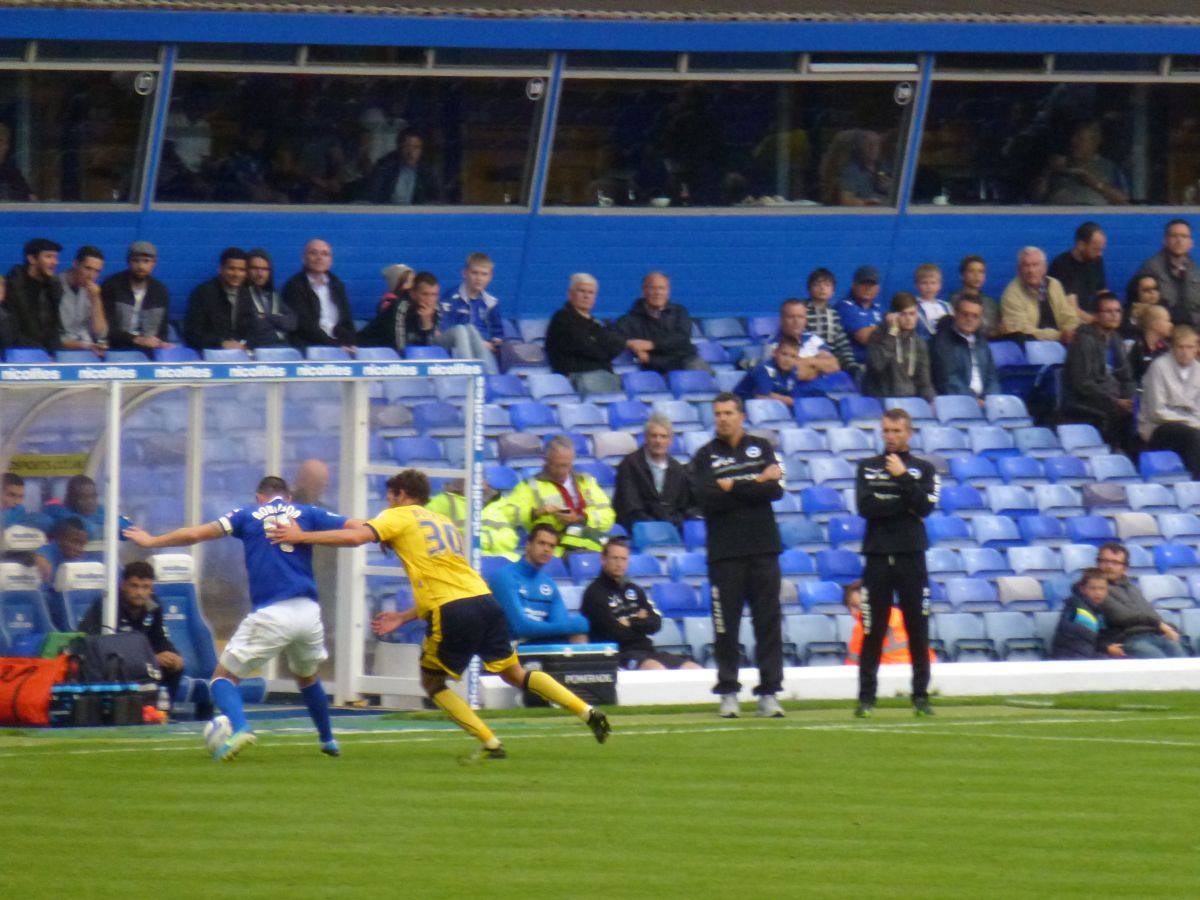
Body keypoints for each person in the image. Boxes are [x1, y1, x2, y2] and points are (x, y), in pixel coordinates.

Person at [271, 469, 611, 762]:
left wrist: (302, 537)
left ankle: (490, 743)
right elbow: (445, 579)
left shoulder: (398, 515)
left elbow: (357, 536)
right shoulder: (444, 522)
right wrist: (403, 617)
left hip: (453, 610)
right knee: (515, 672)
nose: (387, 503)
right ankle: (587, 712)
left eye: (390, 496)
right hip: (483, 600)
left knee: (432, 683)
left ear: (402, 494)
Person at [123, 475, 357, 760]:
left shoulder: (247, 514)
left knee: (222, 679)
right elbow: (356, 528)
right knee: (307, 677)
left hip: (274, 612)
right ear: (288, 498)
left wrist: (152, 541)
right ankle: (328, 740)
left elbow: (195, 535)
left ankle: (241, 728)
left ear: (259, 497)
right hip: (308, 612)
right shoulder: (308, 513)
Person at [687, 393, 785, 719]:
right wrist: (756, 482)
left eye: (729, 412)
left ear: (741, 415)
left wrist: (736, 486)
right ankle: (728, 692)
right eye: (718, 413)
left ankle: (769, 693)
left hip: (763, 549)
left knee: (768, 624)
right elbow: (707, 499)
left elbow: (775, 490)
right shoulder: (704, 457)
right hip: (725, 554)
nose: (723, 419)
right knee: (725, 627)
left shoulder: (762, 447)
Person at [853, 408, 938, 718]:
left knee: (918, 628)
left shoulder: (923, 469)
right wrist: (904, 505)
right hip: (876, 556)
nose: (890, 437)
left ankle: (920, 697)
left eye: (897, 431)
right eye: (886, 431)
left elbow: (924, 508)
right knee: (872, 629)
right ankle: (866, 699)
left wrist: (902, 478)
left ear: (909, 434)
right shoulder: (867, 468)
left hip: (912, 556)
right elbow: (866, 507)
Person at [581, 536, 701, 671]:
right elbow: (613, 632)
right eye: (615, 558)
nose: (619, 563)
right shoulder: (594, 593)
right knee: (655, 669)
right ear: (603, 560)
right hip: (617, 654)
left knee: (693, 668)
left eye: (623, 559)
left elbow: (656, 623)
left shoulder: (635, 589)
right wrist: (640, 620)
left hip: (647, 651)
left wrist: (630, 622)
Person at [79, 561, 186, 703]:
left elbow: (159, 639)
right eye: (134, 586)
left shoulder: (153, 607)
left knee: (173, 667)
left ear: (151, 588)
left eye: (145, 587)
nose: (139, 593)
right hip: (107, 664)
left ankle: (161, 713)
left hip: (143, 663)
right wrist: (151, 659)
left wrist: (174, 657)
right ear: (123, 585)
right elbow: (100, 647)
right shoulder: (106, 605)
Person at [501, 434, 615, 556]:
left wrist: (581, 518)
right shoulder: (530, 486)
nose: (561, 471)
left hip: (590, 545)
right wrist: (535, 513)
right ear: (546, 460)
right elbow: (508, 515)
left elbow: (608, 515)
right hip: (555, 550)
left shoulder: (586, 482)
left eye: (565, 465)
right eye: (557, 465)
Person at [360, 271, 495, 369]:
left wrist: (426, 324)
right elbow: (400, 348)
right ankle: (469, 374)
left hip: (413, 352)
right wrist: (425, 327)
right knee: (460, 330)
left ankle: (488, 377)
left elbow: (429, 349)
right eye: (425, 294)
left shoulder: (435, 308)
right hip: (375, 351)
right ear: (413, 294)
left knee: (467, 329)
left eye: (434, 295)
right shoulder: (400, 307)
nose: (430, 300)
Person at [545, 273, 652, 397]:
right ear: (570, 294)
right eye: (582, 291)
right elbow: (590, 349)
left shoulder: (594, 322)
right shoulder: (562, 319)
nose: (586, 296)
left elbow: (612, 345)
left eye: (591, 293)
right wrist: (604, 347)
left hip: (604, 375)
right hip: (579, 376)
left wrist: (610, 345)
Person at [488, 525, 589, 644]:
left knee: (577, 637)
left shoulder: (549, 584)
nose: (546, 549)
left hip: (541, 650)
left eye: (551, 546)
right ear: (528, 545)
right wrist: (574, 625)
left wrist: (571, 627)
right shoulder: (504, 577)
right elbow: (520, 627)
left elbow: (560, 623)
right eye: (541, 543)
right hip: (509, 652)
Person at [1062, 293, 1135, 455]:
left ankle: (1136, 459)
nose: (1114, 315)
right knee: (1117, 412)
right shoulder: (1083, 341)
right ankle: (1116, 454)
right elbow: (1083, 384)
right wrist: (1116, 401)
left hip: (1114, 397)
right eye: (1108, 311)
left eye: (1117, 311)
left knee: (1140, 408)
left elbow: (1127, 377)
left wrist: (1130, 398)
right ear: (1095, 315)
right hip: (1086, 399)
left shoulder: (1116, 339)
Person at [1095, 542, 1186, 659]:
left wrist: (1168, 628)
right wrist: (1160, 625)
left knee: (1181, 655)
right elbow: (1121, 616)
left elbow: (1150, 614)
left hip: (1153, 635)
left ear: (1125, 568)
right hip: (1128, 639)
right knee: (1160, 661)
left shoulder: (1132, 588)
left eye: (1115, 562)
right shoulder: (1096, 589)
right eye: (1105, 561)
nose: (1109, 566)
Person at [613, 271, 709, 374]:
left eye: (662, 288)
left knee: (700, 373)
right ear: (644, 291)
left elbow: (681, 338)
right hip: (657, 369)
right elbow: (613, 337)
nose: (658, 293)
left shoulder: (679, 312)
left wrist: (652, 345)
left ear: (668, 291)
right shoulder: (629, 320)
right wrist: (632, 345)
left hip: (687, 363)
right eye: (653, 288)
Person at [613, 412, 694, 532]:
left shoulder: (677, 469)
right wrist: (655, 529)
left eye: (663, 436)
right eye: (654, 436)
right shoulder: (629, 465)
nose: (658, 441)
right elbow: (630, 507)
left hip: (671, 532)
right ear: (646, 438)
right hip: (638, 530)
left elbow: (682, 508)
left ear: (670, 441)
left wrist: (670, 527)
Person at [1139, 325, 1200, 479]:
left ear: (1196, 348)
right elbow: (1157, 411)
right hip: (1159, 427)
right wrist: (1189, 422)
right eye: (1180, 347)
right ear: (1172, 347)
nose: (1185, 352)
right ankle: (1195, 484)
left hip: (1191, 424)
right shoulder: (1158, 367)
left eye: (1189, 347)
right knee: (1192, 436)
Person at [282, 239, 357, 350]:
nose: (319, 258)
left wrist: (351, 343)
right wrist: (335, 347)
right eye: (313, 253)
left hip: (338, 344)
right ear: (304, 258)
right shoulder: (294, 286)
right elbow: (304, 326)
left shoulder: (337, 285)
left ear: (330, 261)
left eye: (324, 254)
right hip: (309, 346)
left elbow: (347, 321)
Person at [101, 241, 173, 354]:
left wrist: (161, 342)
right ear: (128, 262)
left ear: (154, 263)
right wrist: (137, 340)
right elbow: (106, 329)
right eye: (135, 261)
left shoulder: (160, 291)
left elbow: (162, 330)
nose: (140, 266)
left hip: (149, 350)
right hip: (117, 348)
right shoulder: (112, 285)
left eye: (146, 261)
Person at [1036, 120, 1130, 206]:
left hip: (1092, 220)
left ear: (1095, 141)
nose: (1073, 141)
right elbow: (1035, 198)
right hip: (1055, 218)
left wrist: (1094, 183)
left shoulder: (1110, 168)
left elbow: (1125, 202)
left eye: (1080, 138)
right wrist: (1047, 172)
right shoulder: (1057, 164)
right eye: (1073, 137)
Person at [842, 580, 935, 667]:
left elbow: (852, 664)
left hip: (890, 675)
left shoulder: (862, 626)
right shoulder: (903, 615)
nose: (853, 612)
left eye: (856, 606)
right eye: (851, 608)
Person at [863, 292, 934, 403]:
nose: (909, 319)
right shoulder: (879, 336)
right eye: (903, 314)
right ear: (893, 316)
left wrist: (931, 402)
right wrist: (892, 332)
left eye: (912, 314)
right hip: (881, 399)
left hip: (909, 400)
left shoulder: (919, 342)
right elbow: (877, 364)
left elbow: (924, 381)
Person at [999, 246, 1079, 343]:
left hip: (1062, 340)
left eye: (1035, 265)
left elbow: (1068, 315)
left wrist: (1070, 331)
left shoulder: (1054, 285)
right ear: (1018, 270)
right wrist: (1058, 335)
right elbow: (1022, 330)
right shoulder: (1011, 294)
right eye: (1026, 265)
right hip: (1032, 344)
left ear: (1044, 268)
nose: (1031, 271)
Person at [1129, 219, 1200, 326]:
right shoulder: (1150, 268)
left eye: (1184, 236)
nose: (1179, 240)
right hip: (1161, 328)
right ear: (1165, 240)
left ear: (1191, 243)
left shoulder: (1195, 270)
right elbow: (1143, 307)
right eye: (1174, 236)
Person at [439, 252, 505, 368]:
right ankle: (470, 370)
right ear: (464, 273)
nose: (479, 278)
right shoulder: (450, 298)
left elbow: (498, 334)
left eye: (484, 274)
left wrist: (493, 343)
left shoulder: (492, 303)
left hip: (484, 350)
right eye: (475, 273)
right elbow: (445, 329)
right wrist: (477, 342)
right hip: (455, 349)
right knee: (464, 330)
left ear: (490, 277)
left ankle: (489, 380)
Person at [930, 294, 1000, 402]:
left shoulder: (982, 343)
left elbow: (992, 378)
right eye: (965, 314)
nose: (969, 319)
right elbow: (948, 380)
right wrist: (973, 400)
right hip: (955, 402)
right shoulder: (942, 342)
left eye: (975, 316)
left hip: (984, 402)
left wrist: (990, 400)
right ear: (955, 313)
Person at [184, 247, 251, 352]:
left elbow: (253, 330)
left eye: (241, 270)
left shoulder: (246, 295)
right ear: (220, 269)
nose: (236, 274)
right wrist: (221, 343)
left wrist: (245, 344)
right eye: (231, 268)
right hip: (209, 355)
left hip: (240, 354)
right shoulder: (203, 294)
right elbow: (192, 334)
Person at [6, 237, 62, 352]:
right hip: (17, 352)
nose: (54, 262)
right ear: (32, 259)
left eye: (56, 257)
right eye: (48, 256)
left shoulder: (54, 288)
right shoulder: (12, 287)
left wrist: (54, 353)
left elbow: (54, 328)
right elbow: (12, 328)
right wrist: (38, 351)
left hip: (46, 354)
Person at [801, 270, 859, 376]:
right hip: (806, 360)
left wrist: (851, 366)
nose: (822, 288)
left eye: (827, 285)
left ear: (833, 291)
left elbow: (842, 344)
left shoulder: (833, 314)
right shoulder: (801, 311)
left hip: (829, 362)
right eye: (817, 285)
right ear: (809, 289)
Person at [1048, 221, 1108, 322]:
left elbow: (1103, 294)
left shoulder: (1096, 260)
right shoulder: (1062, 265)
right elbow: (1072, 310)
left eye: (1101, 250)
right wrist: (1100, 322)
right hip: (1070, 322)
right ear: (1081, 245)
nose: (1100, 254)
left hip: (1091, 318)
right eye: (1096, 249)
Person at [365, 130, 442, 205]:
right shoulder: (385, 167)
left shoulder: (427, 172)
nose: (410, 152)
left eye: (416, 147)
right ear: (399, 147)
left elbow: (437, 199)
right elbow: (373, 196)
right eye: (406, 146)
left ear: (421, 150)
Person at [56, 246, 108, 356]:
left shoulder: (93, 291)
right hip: (61, 350)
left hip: (88, 350)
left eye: (97, 271)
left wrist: (96, 299)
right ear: (76, 264)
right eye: (87, 268)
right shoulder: (55, 286)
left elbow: (100, 333)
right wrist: (83, 346)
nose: (91, 276)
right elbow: (50, 337)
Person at [243, 248, 298, 349]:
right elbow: (254, 327)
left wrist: (268, 317)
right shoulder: (242, 296)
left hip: (282, 348)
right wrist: (278, 321)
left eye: (264, 269)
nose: (260, 274)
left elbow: (292, 322)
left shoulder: (273, 295)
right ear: (246, 270)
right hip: (256, 351)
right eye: (255, 268)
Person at [1049, 568, 1109, 661]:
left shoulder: (1096, 610)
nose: (1098, 592)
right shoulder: (1079, 609)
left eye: (1102, 588)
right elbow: (1087, 640)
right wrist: (1107, 648)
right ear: (1082, 589)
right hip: (1070, 660)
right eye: (1092, 588)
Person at [835, 265, 885, 363]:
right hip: (855, 366)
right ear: (854, 285)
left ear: (878, 288)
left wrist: (891, 329)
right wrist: (888, 326)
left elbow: (894, 339)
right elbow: (866, 338)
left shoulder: (880, 309)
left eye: (872, 284)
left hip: (880, 366)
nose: (867, 288)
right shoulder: (844, 306)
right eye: (863, 283)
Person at [735, 335, 801, 406]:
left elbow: (796, 397)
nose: (787, 360)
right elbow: (763, 397)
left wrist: (793, 402)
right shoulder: (764, 369)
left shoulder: (794, 372)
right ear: (775, 353)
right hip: (741, 407)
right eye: (784, 354)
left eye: (793, 356)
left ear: (797, 359)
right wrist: (790, 401)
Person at [33, 516, 98, 584]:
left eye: (82, 544)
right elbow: (37, 555)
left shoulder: (83, 558)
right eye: (75, 542)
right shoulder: (47, 552)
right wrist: (38, 558)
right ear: (60, 539)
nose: (80, 549)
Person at [949, 255, 1002, 337]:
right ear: (962, 275)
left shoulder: (991, 303)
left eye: (981, 272)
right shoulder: (955, 300)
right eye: (971, 271)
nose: (976, 275)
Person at [42, 473, 105, 540]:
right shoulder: (59, 511)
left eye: (94, 496)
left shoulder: (101, 510)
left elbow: (116, 524)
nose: (90, 502)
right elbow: (91, 532)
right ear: (70, 498)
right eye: (83, 497)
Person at [1129, 303, 1172, 385]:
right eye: (1167, 321)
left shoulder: (1167, 349)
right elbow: (1130, 377)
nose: (1171, 325)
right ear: (1154, 325)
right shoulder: (1137, 348)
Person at [912, 262, 951, 339]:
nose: (929, 287)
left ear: (940, 285)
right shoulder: (912, 306)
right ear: (916, 285)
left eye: (933, 283)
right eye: (924, 283)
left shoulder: (946, 306)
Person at [1123, 272, 1164, 336]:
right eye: (1146, 290)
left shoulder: (1166, 309)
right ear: (1136, 293)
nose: (1152, 292)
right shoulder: (1126, 314)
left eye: (1155, 288)